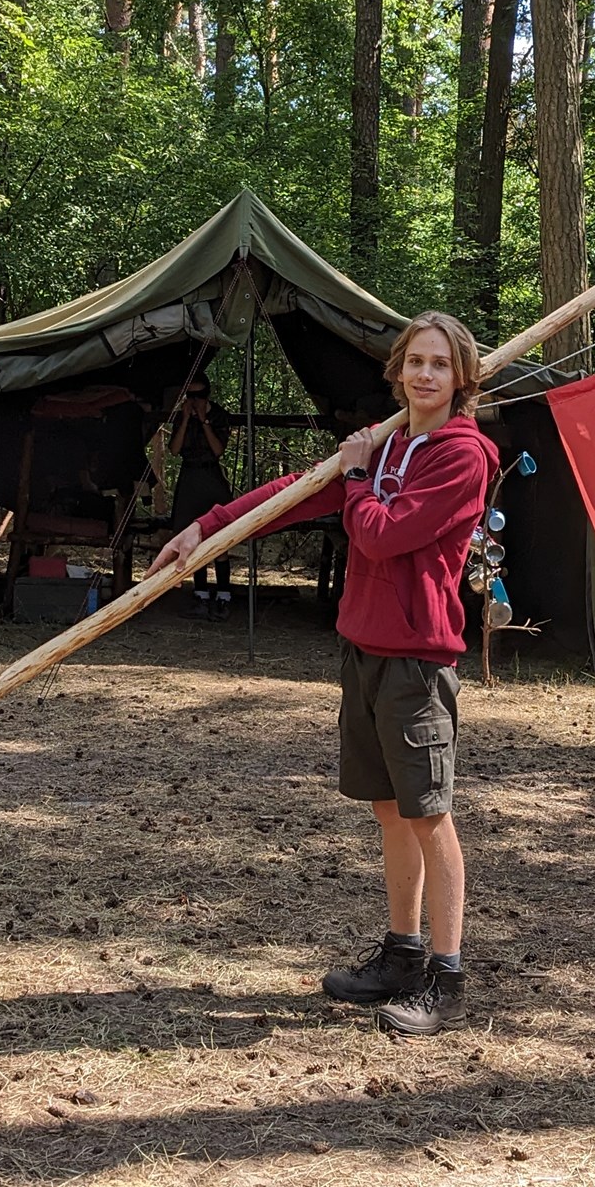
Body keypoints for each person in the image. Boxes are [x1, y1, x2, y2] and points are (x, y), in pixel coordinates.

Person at [150, 312, 493, 1036]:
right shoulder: (388, 442)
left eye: (440, 363)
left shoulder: (463, 456)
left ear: (461, 376)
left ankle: (447, 977)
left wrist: (359, 474)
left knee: (429, 813)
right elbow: (300, 491)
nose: (426, 374)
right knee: (388, 808)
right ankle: (402, 954)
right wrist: (208, 527)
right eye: (416, 361)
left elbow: (383, 533)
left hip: (417, 658)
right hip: (362, 646)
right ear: (397, 370)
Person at [164, 380, 237, 619]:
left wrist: (204, 421)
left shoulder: (219, 416)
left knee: (220, 536)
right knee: (191, 536)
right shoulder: (182, 417)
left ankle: (224, 596)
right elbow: (174, 450)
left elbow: (218, 450)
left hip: (211, 476)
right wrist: (186, 419)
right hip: (189, 476)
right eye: (190, 396)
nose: (195, 401)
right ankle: (201, 594)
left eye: (199, 396)